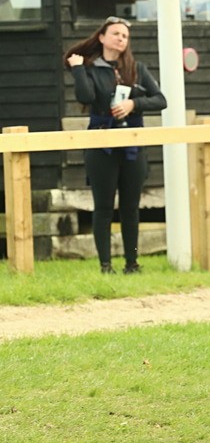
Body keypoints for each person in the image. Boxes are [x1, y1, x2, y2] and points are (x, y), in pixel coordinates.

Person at [64, 17, 167, 274]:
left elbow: (160, 100)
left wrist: (134, 104)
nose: (121, 38)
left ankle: (132, 263)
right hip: (101, 144)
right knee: (103, 207)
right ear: (102, 37)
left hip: (132, 143)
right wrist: (77, 69)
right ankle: (105, 265)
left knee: (131, 207)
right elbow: (85, 97)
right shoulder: (90, 68)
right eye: (116, 34)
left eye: (124, 35)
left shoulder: (136, 68)